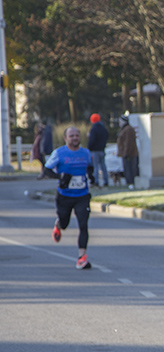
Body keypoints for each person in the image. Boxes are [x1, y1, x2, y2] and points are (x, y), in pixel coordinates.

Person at [43, 127, 95, 269]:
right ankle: (59, 225)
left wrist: (91, 176)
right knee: (65, 223)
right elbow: (46, 170)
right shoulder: (59, 153)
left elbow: (90, 167)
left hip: (82, 195)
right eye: (71, 136)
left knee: (83, 225)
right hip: (65, 196)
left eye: (77, 135)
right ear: (65, 138)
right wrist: (60, 176)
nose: (75, 138)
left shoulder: (85, 153)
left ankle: (82, 257)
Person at [88, 113, 109, 188]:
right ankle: (106, 181)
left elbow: (92, 140)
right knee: (103, 166)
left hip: (95, 150)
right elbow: (107, 136)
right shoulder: (103, 128)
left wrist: (89, 148)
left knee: (95, 166)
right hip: (102, 149)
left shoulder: (94, 129)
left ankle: (96, 181)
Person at [117, 115, 139, 188]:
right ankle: (129, 182)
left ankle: (131, 183)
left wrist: (126, 153)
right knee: (127, 169)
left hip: (129, 154)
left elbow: (128, 142)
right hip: (127, 153)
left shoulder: (128, 130)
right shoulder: (125, 129)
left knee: (130, 169)